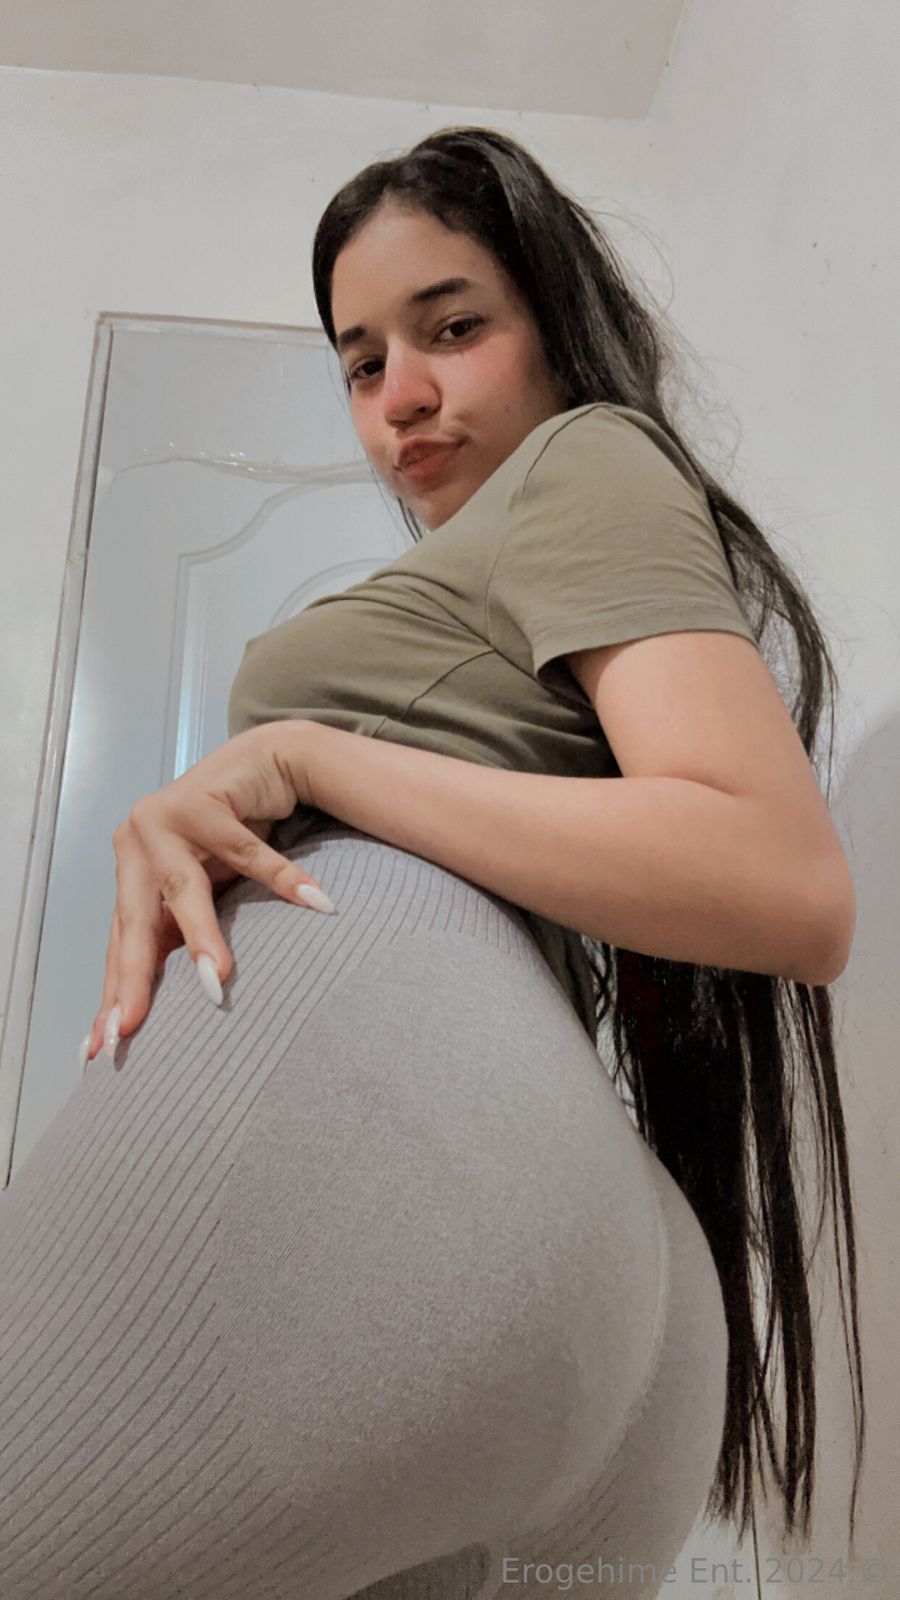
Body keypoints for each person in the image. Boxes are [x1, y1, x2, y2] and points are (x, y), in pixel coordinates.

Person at [2, 127, 863, 1599]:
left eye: (453, 328)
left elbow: (783, 882)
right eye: (360, 363)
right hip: (565, 1250)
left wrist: (310, 757)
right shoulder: (507, 557)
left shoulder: (587, 458)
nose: (399, 395)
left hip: (389, 1177)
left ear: (558, 325)